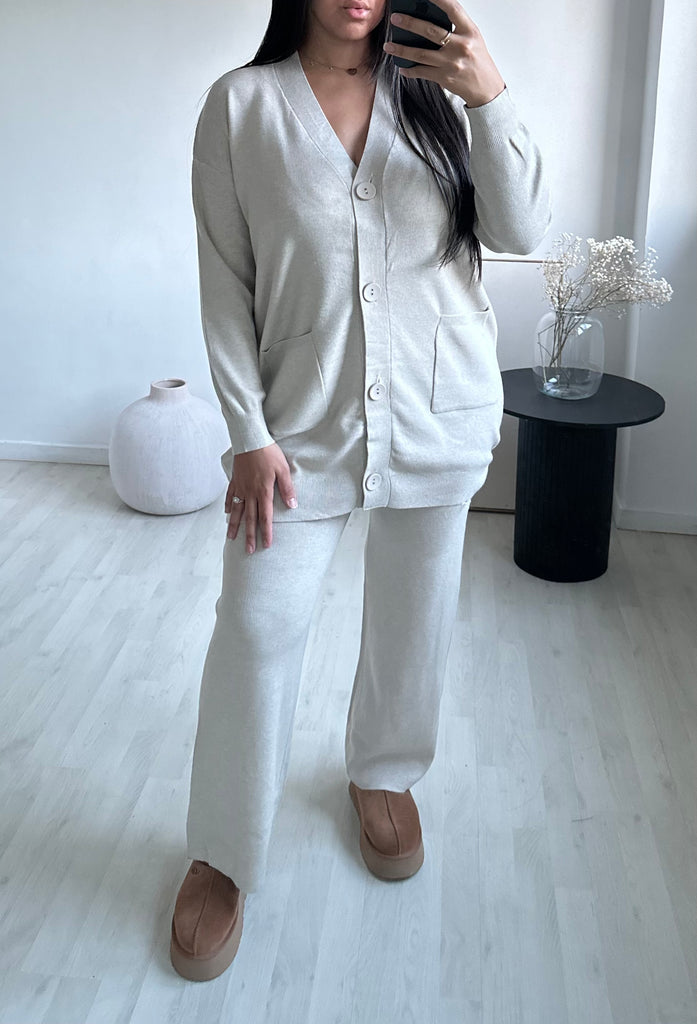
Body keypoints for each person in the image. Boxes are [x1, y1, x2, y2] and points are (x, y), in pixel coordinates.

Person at [170, 0, 552, 982]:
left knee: (413, 618)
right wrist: (247, 432)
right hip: (299, 432)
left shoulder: (437, 94)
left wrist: (490, 98)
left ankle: (383, 772)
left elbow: (521, 229)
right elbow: (224, 283)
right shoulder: (242, 107)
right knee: (255, 628)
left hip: (437, 409)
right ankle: (223, 848)